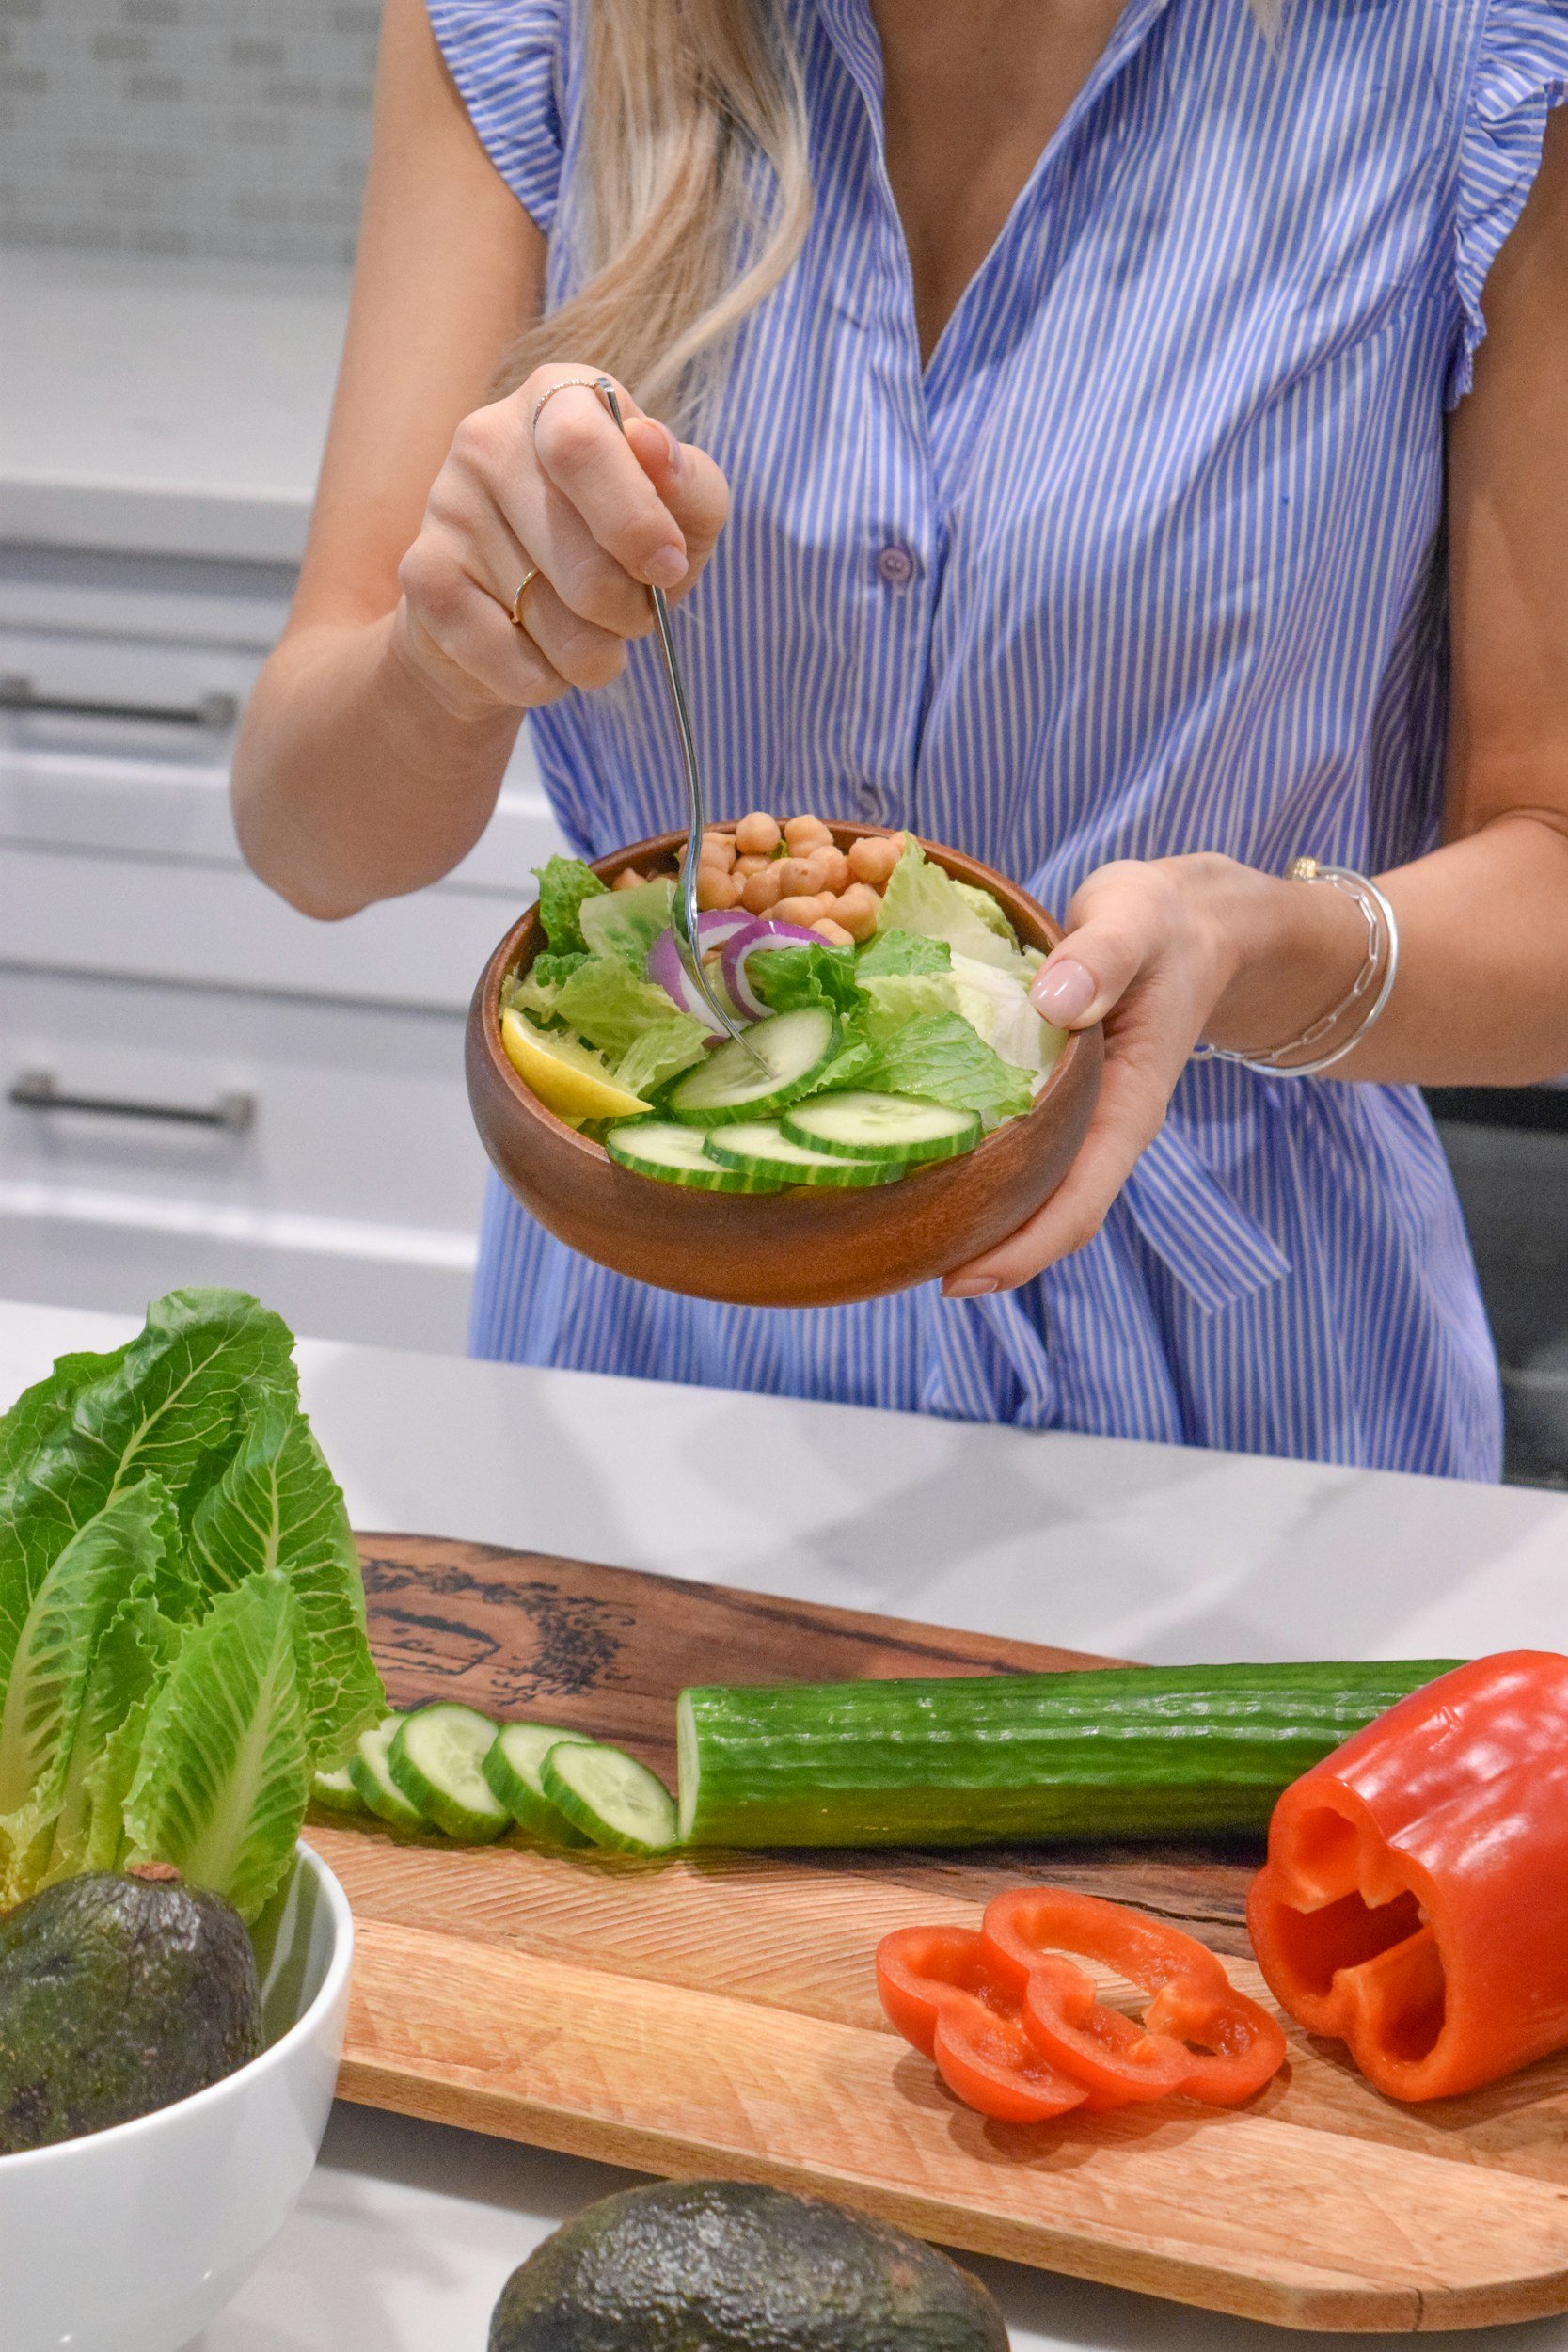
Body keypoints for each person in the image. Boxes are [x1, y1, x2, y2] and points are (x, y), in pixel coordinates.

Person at [232, 0, 1568, 1477]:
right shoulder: (539, 33)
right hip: (659, 1383)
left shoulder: (1475, 54)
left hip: (1261, 1409)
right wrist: (443, 658)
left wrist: (1255, 948)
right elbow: (307, 836)